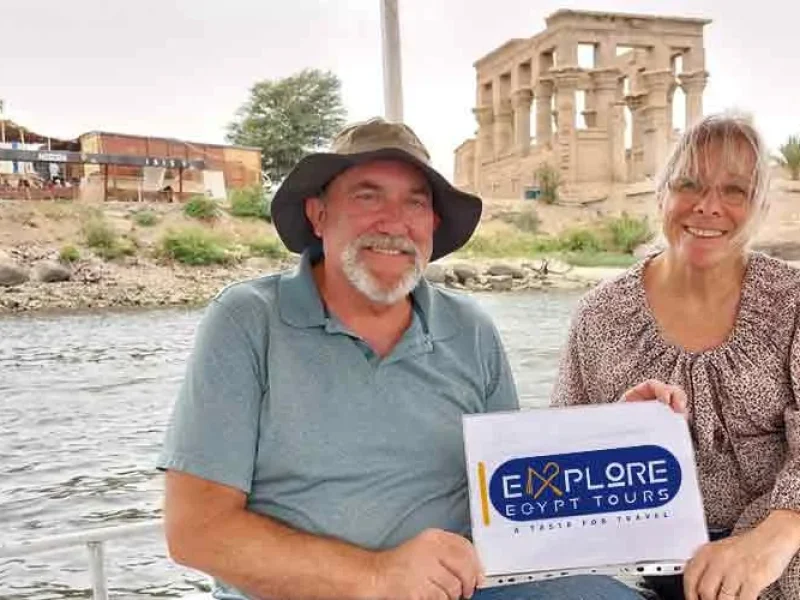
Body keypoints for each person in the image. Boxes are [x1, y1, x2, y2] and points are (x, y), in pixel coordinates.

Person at [157, 117, 644, 600]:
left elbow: (512, 495)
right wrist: (375, 576)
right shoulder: (247, 320)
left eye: (415, 201)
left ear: (432, 223)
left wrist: (618, 438)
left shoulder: (471, 328)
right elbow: (197, 531)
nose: (394, 222)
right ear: (318, 215)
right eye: (367, 196)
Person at [551, 112, 800, 600]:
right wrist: (613, 434)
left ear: (760, 207)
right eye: (689, 184)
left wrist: (773, 538)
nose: (708, 207)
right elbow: (560, 474)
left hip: (784, 548)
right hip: (653, 567)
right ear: (661, 194)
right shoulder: (599, 316)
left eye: (735, 191)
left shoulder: (792, 301)